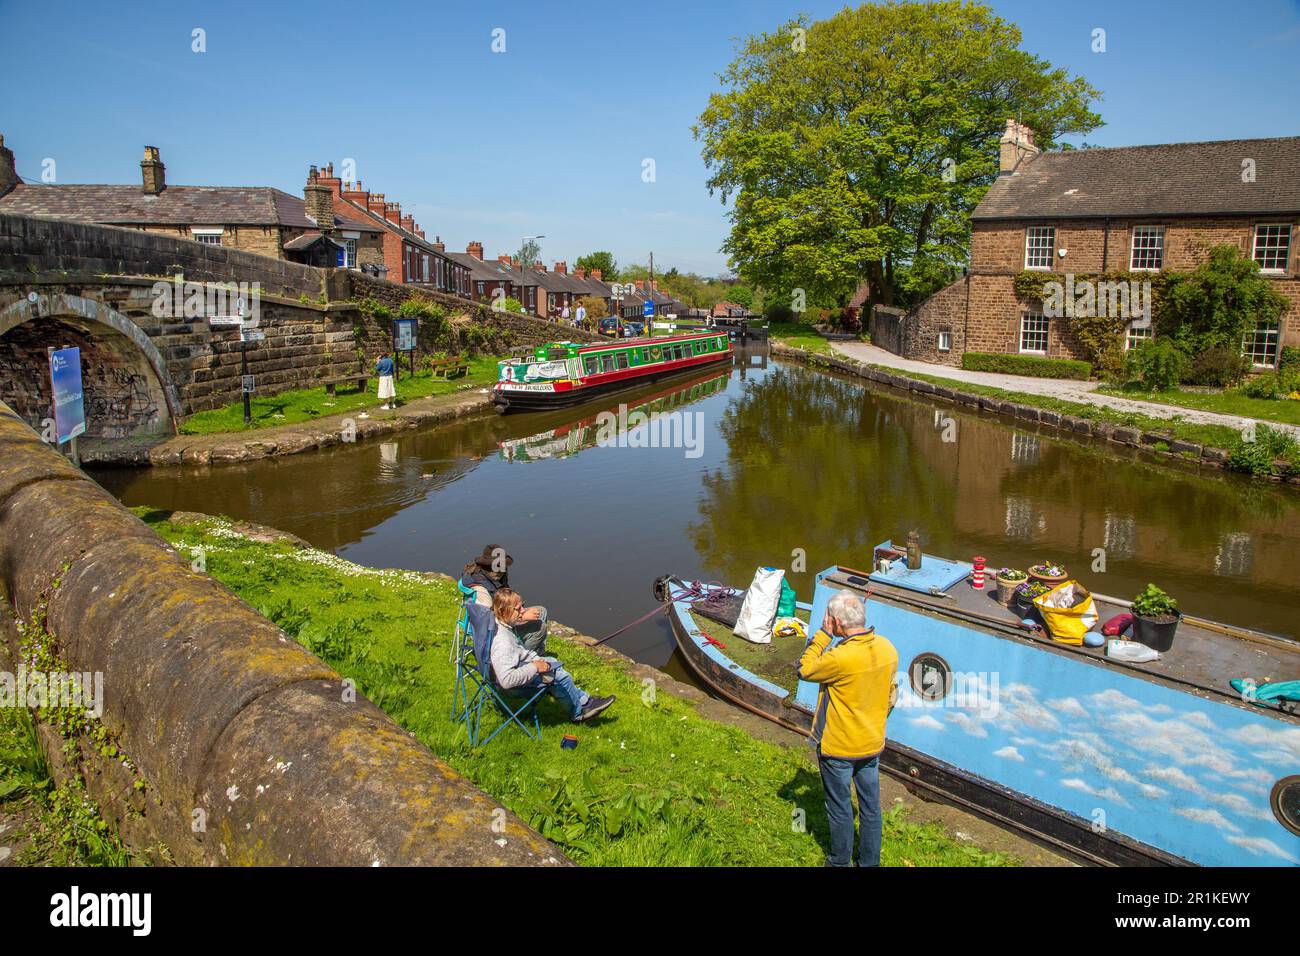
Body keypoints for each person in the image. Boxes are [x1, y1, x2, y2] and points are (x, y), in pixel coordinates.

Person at [798, 589, 898, 867]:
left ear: (836, 622)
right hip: (872, 743)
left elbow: (804, 669)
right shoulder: (887, 648)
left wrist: (823, 635)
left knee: (840, 809)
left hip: (839, 747)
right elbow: (890, 694)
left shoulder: (840, 658)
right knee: (870, 808)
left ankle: (839, 862)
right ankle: (869, 863)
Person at [489, 588, 615, 723]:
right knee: (560, 677)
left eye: (522, 606)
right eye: (518, 609)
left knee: (552, 662)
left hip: (520, 666)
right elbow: (507, 681)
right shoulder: (503, 642)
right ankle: (579, 713)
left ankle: (585, 700)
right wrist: (535, 667)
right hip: (513, 688)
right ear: (504, 611)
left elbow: (521, 650)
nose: (523, 611)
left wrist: (538, 659)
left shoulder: (504, 625)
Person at [460, 543, 548, 653]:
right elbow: (487, 623)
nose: (503, 571)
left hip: (503, 617)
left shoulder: (493, 577)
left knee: (541, 611)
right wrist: (521, 617)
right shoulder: (482, 591)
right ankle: (520, 657)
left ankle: (538, 653)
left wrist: (519, 609)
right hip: (494, 634)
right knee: (541, 627)